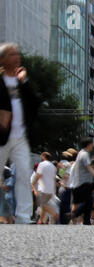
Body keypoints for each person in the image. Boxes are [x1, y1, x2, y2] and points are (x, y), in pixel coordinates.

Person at [0, 43, 41, 224]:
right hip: (1, 136)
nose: (16, 57)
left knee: (24, 174)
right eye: (11, 54)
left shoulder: (21, 81)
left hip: (20, 137)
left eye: (17, 53)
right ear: (2, 59)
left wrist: (24, 81)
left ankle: (24, 217)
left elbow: (36, 102)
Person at [69, 137, 94, 225]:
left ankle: (84, 221)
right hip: (83, 183)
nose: (93, 146)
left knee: (83, 202)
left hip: (80, 182)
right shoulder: (85, 155)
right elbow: (89, 168)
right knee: (89, 202)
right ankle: (74, 215)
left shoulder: (81, 154)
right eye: (92, 144)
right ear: (88, 144)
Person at [31, 152, 58, 224]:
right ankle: (41, 221)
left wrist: (33, 184)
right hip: (50, 189)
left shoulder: (42, 164)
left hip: (43, 188)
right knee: (44, 205)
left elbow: (38, 175)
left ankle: (54, 214)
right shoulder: (52, 166)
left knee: (42, 204)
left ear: (44, 156)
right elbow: (54, 178)